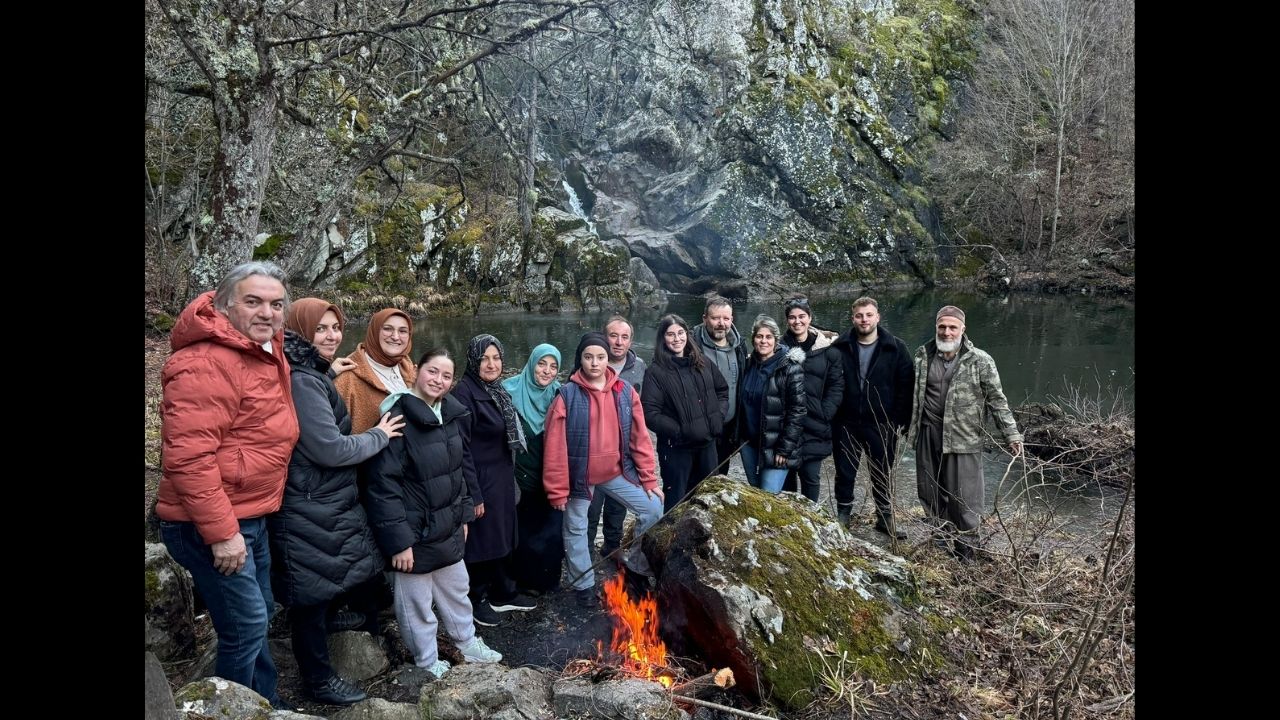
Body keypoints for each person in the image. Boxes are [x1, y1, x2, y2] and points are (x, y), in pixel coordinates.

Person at [156, 261, 298, 709]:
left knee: (259, 615)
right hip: (212, 523)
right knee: (246, 624)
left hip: (248, 512)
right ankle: (229, 709)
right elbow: (189, 457)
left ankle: (264, 702)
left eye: (276, 304)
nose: (267, 313)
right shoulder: (205, 361)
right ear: (223, 305)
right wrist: (223, 535)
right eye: (253, 302)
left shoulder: (262, 350)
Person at [270, 298, 406, 705]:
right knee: (308, 594)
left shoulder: (305, 372)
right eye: (321, 329)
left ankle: (334, 619)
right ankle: (318, 681)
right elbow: (329, 448)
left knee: (324, 577)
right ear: (299, 331)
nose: (331, 336)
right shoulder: (302, 379)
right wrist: (379, 434)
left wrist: (327, 371)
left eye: (335, 328)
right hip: (306, 500)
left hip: (316, 497)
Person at [363, 349, 504, 679]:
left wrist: (465, 517)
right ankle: (426, 661)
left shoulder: (451, 415)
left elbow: (459, 472)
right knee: (416, 605)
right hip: (414, 533)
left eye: (445, 375)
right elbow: (382, 486)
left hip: (448, 526)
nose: (438, 380)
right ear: (416, 372)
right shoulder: (396, 419)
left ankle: (467, 642)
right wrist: (398, 543)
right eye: (432, 372)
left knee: (457, 589)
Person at [543, 332, 664, 607]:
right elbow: (555, 447)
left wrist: (648, 478)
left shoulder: (624, 391)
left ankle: (635, 566)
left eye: (600, 357)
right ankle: (582, 584)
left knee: (653, 507)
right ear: (580, 360)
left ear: (608, 358)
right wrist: (557, 489)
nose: (594, 363)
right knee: (575, 527)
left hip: (616, 472)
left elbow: (640, 438)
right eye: (588, 357)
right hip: (580, 477)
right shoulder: (567, 395)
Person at [908, 306, 1024, 562]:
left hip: (964, 437)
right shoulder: (922, 356)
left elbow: (997, 400)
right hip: (928, 433)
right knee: (929, 493)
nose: (947, 332)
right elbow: (914, 397)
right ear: (936, 327)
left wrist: (1012, 435)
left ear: (963, 330)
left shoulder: (980, 360)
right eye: (942, 326)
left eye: (952, 327)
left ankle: (968, 551)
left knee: (965, 498)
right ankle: (939, 542)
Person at [453, 335, 536, 626]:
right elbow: (461, 449)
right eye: (484, 358)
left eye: (496, 358)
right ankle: (477, 599)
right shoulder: (464, 393)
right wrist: (473, 495)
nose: (491, 364)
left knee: (502, 536)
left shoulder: (496, 390)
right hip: (481, 480)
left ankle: (504, 591)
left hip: (501, 478)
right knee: (480, 542)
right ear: (474, 361)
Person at [830, 297, 914, 539]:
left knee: (882, 472)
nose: (864, 320)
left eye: (868, 315)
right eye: (859, 315)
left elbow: (905, 387)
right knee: (845, 472)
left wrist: (897, 422)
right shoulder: (840, 346)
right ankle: (843, 516)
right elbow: (831, 382)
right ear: (853, 318)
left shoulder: (896, 348)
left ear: (877, 317)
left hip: (881, 424)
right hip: (846, 422)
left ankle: (885, 519)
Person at [641, 314, 728, 512]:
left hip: (707, 445)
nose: (676, 339)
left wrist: (717, 418)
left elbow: (722, 390)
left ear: (687, 335)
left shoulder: (702, 362)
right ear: (663, 338)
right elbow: (650, 412)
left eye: (680, 333)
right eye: (670, 334)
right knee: (677, 500)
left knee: (708, 496)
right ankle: (672, 541)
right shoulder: (656, 372)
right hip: (676, 449)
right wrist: (680, 431)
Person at [503, 344, 567, 595]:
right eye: (542, 364)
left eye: (553, 366)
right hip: (520, 477)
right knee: (523, 531)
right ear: (532, 363)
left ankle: (547, 581)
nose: (547, 371)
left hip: (551, 476)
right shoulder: (508, 392)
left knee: (551, 531)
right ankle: (521, 581)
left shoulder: (560, 395)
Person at [588, 316, 646, 559]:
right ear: (604, 336)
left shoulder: (639, 366)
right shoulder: (590, 361)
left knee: (617, 507)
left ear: (631, 340)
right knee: (590, 508)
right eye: (613, 335)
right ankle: (584, 553)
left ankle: (611, 548)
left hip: (624, 454)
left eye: (625, 337)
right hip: (593, 452)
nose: (619, 342)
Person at [779, 296, 845, 503]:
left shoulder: (828, 350)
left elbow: (836, 385)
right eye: (792, 317)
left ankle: (812, 522)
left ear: (810, 318)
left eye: (802, 316)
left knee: (811, 477)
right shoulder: (779, 349)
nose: (797, 321)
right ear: (787, 320)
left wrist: (825, 412)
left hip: (816, 423)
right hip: (787, 424)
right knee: (787, 481)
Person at [737, 315, 807, 493]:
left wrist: (784, 449)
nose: (763, 341)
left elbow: (797, 412)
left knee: (768, 494)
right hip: (749, 444)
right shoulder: (748, 364)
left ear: (776, 340)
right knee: (755, 493)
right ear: (753, 339)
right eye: (759, 336)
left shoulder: (790, 368)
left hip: (776, 446)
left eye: (768, 337)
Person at [335, 308, 416, 434]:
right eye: (387, 329)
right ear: (374, 331)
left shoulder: (409, 368)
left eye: (403, 331)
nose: (395, 337)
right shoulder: (347, 376)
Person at [692, 297, 747, 474]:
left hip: (728, 427)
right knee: (696, 479)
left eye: (726, 318)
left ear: (732, 319)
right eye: (716, 318)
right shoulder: (691, 346)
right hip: (700, 427)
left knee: (720, 476)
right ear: (704, 318)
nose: (721, 323)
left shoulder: (740, 347)